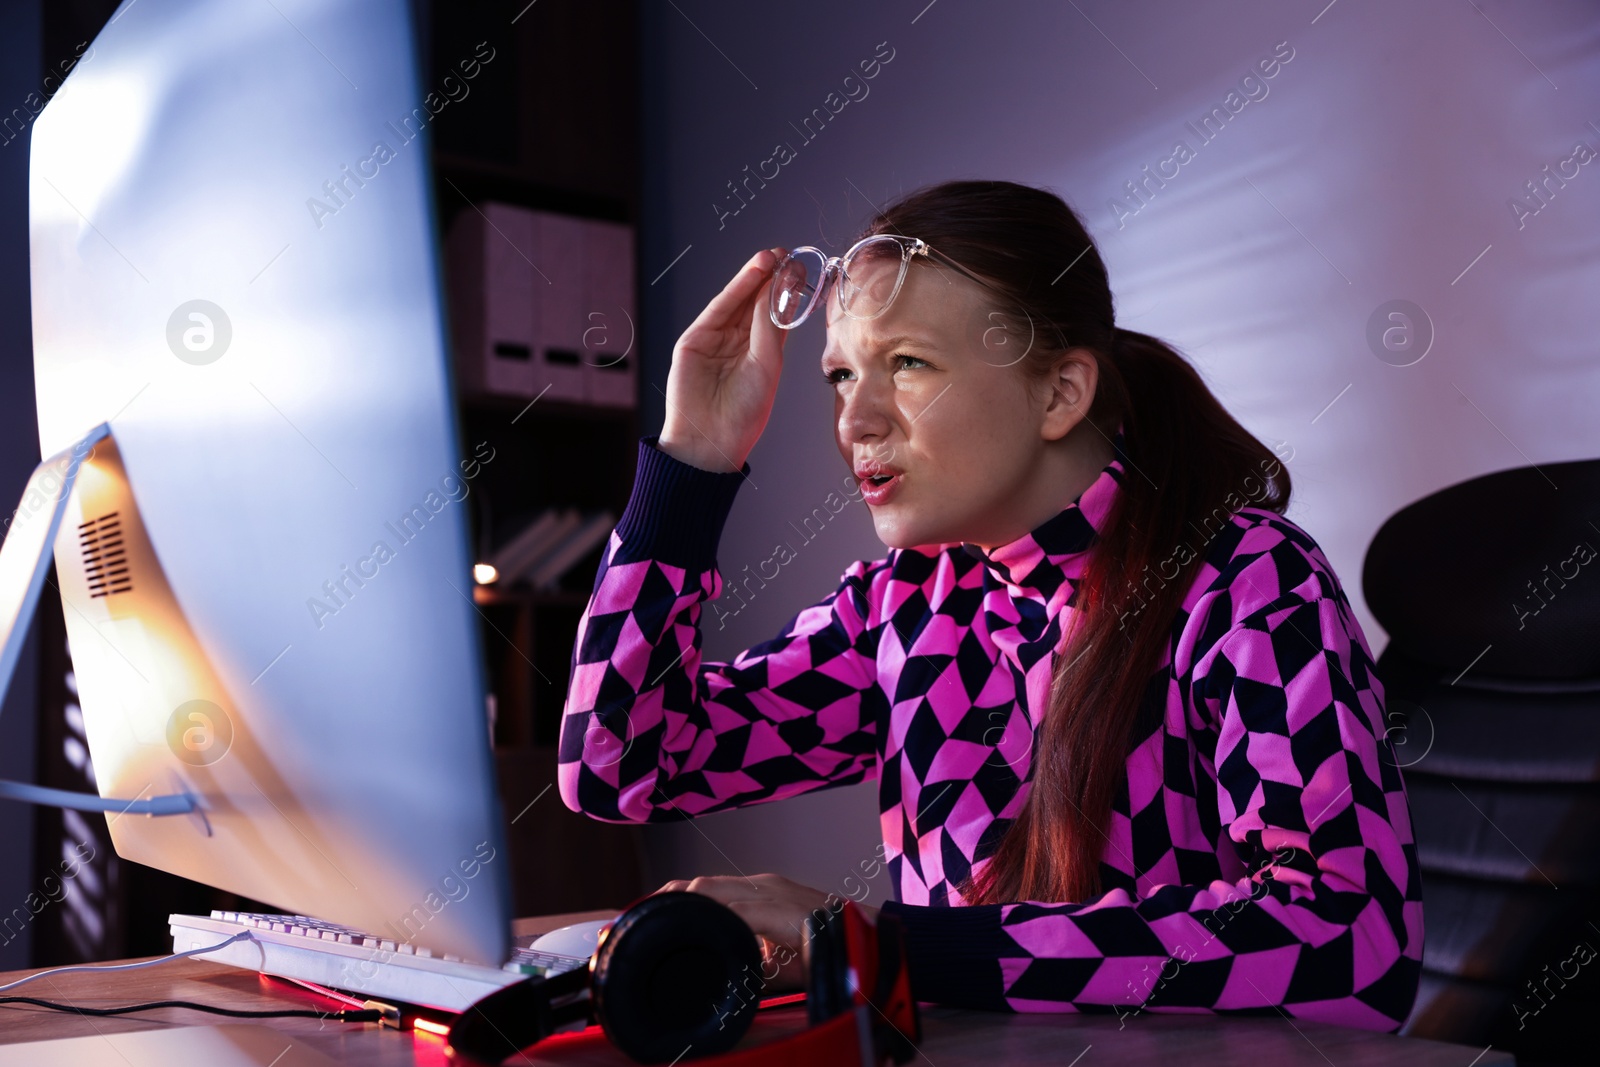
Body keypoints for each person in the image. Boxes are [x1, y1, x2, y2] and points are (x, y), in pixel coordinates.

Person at [557, 179, 1422, 1032]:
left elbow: (1354, 937)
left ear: (1059, 393)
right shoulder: (902, 605)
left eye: (906, 363)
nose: (854, 418)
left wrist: (886, 948)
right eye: (840, 374)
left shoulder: (1248, 583)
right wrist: (692, 466)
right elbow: (622, 764)